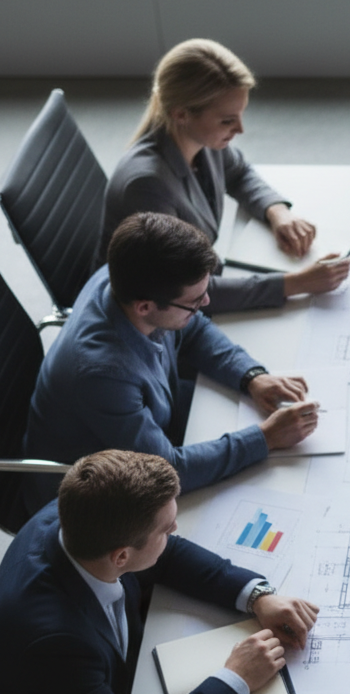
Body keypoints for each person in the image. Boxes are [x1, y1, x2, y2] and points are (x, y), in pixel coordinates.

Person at [0, 450, 319, 694]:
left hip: (96, 693)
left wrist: (255, 596)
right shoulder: (56, 645)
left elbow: (164, 556)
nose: (175, 531)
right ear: (121, 557)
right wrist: (236, 678)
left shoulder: (80, 517)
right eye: (166, 528)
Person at [23, 213, 317, 513]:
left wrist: (251, 376)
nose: (204, 304)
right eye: (194, 301)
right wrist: (265, 438)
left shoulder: (128, 274)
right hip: (91, 495)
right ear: (145, 307)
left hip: (149, 424)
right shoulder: (103, 374)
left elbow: (195, 329)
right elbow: (167, 471)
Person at [101, 38, 350, 312]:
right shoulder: (147, 186)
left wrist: (277, 212)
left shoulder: (202, 141)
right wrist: (297, 283)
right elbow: (186, 294)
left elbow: (239, 173)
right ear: (182, 114)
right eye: (228, 120)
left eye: (240, 115)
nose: (240, 129)